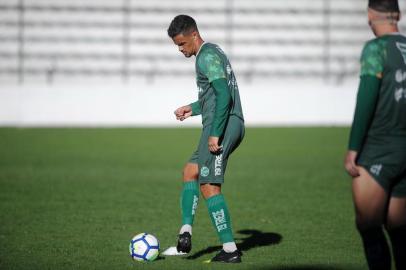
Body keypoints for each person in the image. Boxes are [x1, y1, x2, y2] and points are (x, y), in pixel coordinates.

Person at [162, 15, 245, 263]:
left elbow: (224, 96)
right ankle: (185, 232)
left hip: (223, 125)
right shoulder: (211, 53)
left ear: (194, 35)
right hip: (220, 122)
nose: (180, 49)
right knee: (190, 172)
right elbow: (213, 96)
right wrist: (192, 107)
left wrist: (215, 132)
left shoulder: (207, 55)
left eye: (182, 44)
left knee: (209, 186)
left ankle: (230, 250)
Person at [344, 0, 406, 269]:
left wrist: (353, 148)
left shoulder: (375, 49)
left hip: (379, 150)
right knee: (399, 229)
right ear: (399, 15)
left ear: (370, 15)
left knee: (369, 227)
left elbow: (366, 100)